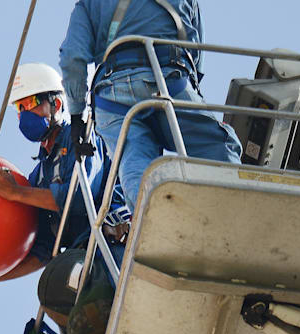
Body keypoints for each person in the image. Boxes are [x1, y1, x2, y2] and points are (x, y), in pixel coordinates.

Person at [0, 63, 128, 334]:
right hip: (85, 259)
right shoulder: (39, 174)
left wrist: (16, 193)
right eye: (19, 107)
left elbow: (79, 197)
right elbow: (42, 249)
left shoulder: (81, 136)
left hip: (113, 245)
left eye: (28, 104)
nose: (23, 114)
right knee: (54, 294)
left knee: (61, 281)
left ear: (55, 104)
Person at [59, 0, 242, 209]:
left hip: (112, 98)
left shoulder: (90, 4)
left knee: (138, 169)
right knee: (218, 145)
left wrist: (76, 116)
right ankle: (236, 208)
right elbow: (193, 52)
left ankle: (151, 222)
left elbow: (72, 58)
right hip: (168, 82)